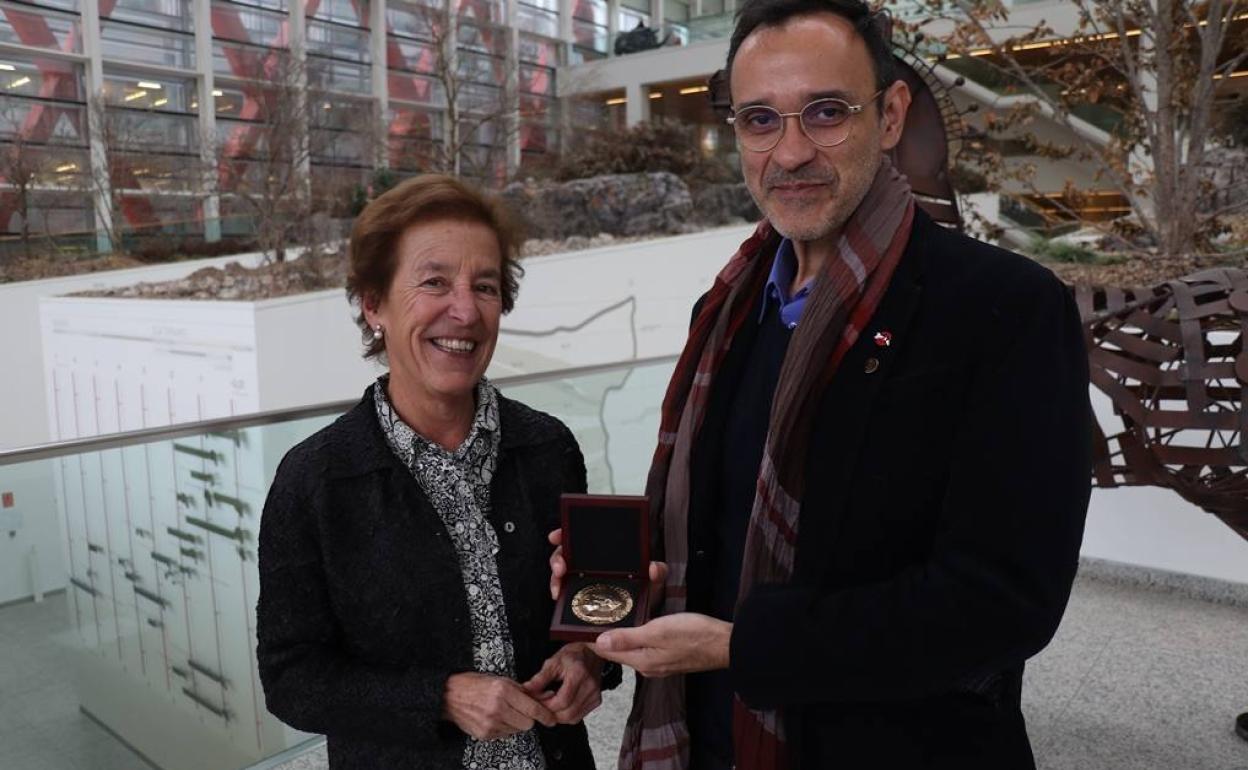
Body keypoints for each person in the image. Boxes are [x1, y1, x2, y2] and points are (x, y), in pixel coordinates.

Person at [549, 0, 1092, 767]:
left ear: (893, 114)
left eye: (826, 113)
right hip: (710, 743)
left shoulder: (1003, 309)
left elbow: (1004, 602)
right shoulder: (729, 308)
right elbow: (712, 529)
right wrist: (610, 599)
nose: (791, 152)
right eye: (760, 119)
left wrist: (744, 648)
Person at [257, 174, 616, 769]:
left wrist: (588, 659)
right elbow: (292, 678)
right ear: (373, 304)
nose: (466, 310)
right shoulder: (315, 481)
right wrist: (440, 699)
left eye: (486, 286)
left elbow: (583, 606)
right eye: (434, 282)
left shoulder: (548, 448)